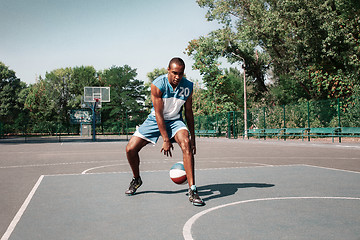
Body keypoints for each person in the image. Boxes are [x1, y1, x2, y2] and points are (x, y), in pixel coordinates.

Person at [125, 57, 204, 206]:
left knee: (186, 143)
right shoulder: (158, 85)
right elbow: (159, 114)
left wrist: (193, 137)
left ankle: (192, 189)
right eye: (174, 73)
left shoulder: (188, 87)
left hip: (175, 121)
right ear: (168, 70)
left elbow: (188, 113)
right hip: (155, 120)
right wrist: (166, 139)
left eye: (180, 73)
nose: (177, 77)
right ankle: (136, 179)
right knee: (130, 149)